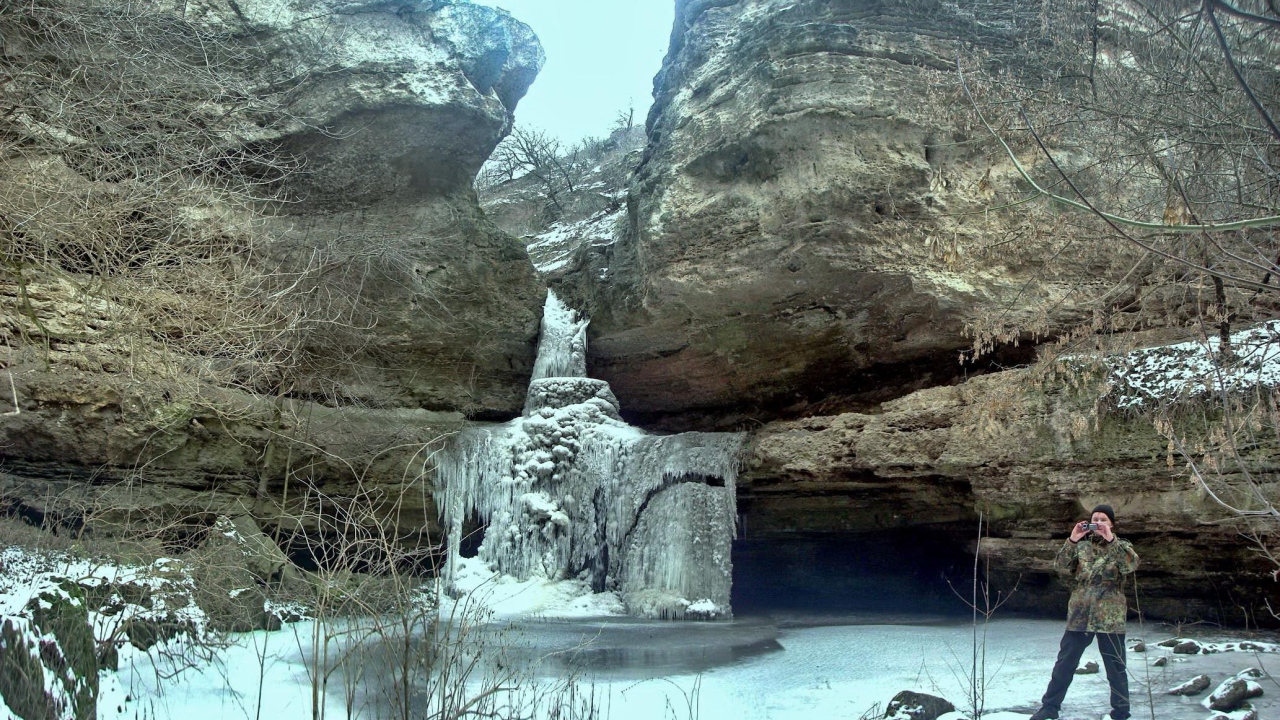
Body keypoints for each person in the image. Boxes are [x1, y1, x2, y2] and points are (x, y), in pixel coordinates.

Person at [1029, 504, 1140, 720]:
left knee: (1115, 668)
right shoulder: (1081, 546)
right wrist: (1072, 539)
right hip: (1080, 616)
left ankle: (1121, 712)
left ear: (1111, 524)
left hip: (1110, 617)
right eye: (1095, 518)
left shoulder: (1122, 546)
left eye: (1103, 519)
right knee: (1064, 664)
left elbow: (1131, 565)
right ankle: (1049, 708)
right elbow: (1060, 565)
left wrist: (1111, 540)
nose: (1098, 522)